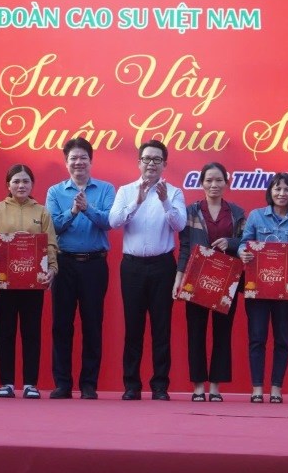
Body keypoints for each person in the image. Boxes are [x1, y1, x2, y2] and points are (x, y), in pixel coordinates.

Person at [108, 140, 185, 401]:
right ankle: (131, 385)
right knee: (133, 327)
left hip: (163, 265)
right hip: (132, 267)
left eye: (156, 160)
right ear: (139, 162)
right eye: (147, 159)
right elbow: (114, 221)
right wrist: (137, 202)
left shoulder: (173, 192)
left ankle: (160, 386)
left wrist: (164, 202)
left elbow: (180, 224)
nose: (151, 164)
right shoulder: (126, 190)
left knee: (161, 328)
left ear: (165, 164)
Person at [45, 138, 115, 400]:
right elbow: (53, 227)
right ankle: (63, 383)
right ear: (66, 163)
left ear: (91, 161)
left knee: (93, 323)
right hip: (64, 264)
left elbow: (109, 221)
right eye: (73, 158)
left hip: (95, 264)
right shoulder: (55, 192)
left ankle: (89, 384)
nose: (78, 162)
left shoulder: (106, 189)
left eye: (83, 157)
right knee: (61, 325)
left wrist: (88, 209)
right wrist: (73, 211)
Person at [172, 162, 245, 402]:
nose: (214, 185)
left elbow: (245, 242)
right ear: (201, 183)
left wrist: (231, 243)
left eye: (219, 180)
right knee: (196, 332)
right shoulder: (190, 211)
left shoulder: (236, 212)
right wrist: (179, 278)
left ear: (227, 182)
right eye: (209, 180)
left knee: (222, 333)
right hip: (196, 278)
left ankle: (215, 387)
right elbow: (184, 247)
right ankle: (198, 387)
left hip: (226, 279)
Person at [0, 164, 58, 399]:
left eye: (26, 181)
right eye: (16, 181)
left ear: (32, 185)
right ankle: (6, 382)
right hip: (4, 281)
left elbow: (50, 244)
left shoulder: (42, 211)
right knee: (5, 331)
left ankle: (30, 384)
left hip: (32, 282)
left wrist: (52, 268)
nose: (21, 185)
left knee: (31, 331)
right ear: (8, 185)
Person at [238, 173, 288, 404]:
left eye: (287, 190)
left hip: (285, 290)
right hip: (257, 288)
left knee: (282, 340)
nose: (281, 194)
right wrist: (243, 252)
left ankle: (276, 387)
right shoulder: (257, 216)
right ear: (270, 192)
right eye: (277, 189)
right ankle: (257, 388)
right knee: (257, 338)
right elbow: (243, 242)